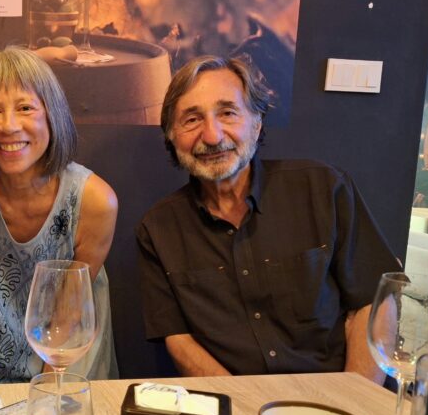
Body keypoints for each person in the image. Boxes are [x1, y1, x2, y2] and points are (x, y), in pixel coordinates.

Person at [136, 55, 399, 381]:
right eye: (191, 120)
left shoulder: (323, 189)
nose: (213, 135)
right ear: (172, 137)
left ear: (257, 121)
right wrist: (243, 408)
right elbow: (178, 338)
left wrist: (354, 402)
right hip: (231, 406)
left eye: (228, 113)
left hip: (331, 402)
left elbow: (374, 301)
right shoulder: (159, 228)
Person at [0, 46, 119, 382]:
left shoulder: (94, 200)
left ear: (52, 115)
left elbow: (69, 314)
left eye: (25, 107)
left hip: (67, 358)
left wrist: (46, 395)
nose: (9, 126)